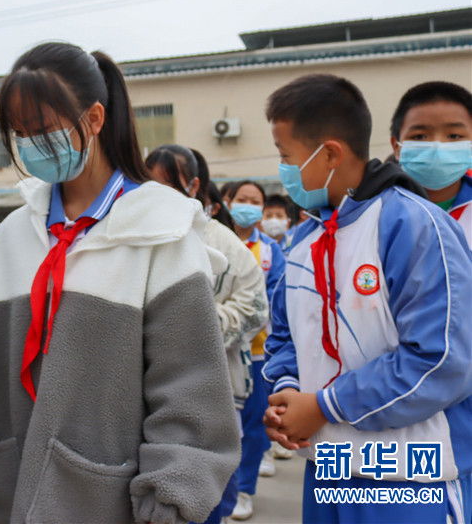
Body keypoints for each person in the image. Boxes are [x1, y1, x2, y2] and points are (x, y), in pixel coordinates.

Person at [0, 42, 239, 524]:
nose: (28, 145)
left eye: (42, 130)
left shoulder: (161, 234)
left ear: (95, 118)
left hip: (108, 504)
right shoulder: (13, 235)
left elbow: (190, 394)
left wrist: (168, 501)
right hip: (9, 496)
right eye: (18, 134)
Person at [261, 74, 472, 523]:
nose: (284, 170)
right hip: (330, 465)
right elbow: (284, 338)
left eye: (286, 157)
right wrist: (285, 395)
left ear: (330, 154)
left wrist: (321, 406)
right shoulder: (302, 240)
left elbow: (441, 360)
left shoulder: (414, 225)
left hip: (413, 471)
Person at [147, 145, 268, 524]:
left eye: (167, 185)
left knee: (209, 490)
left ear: (194, 185)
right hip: (149, 391)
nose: (156, 196)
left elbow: (255, 310)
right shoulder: (138, 238)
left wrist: (198, 323)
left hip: (216, 390)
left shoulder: (226, 245)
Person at [221, 179, 286, 520]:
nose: (248, 205)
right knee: (226, 426)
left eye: (254, 201)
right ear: (227, 201)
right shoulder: (217, 244)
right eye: (241, 199)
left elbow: (277, 302)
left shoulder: (271, 251)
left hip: (259, 356)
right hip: (223, 352)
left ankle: (245, 490)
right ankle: (225, 486)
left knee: (255, 424)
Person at [390, 81, 472, 247]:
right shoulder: (379, 211)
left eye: (454, 136)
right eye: (419, 136)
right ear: (397, 147)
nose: (437, 146)